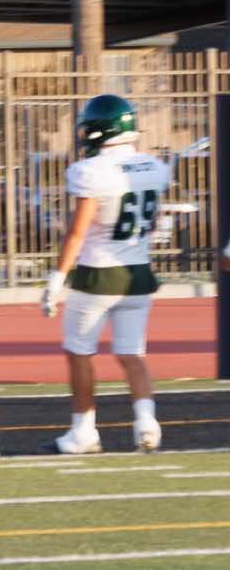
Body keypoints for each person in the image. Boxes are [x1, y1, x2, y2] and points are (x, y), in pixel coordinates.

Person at [41, 93, 170, 454]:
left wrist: (56, 280)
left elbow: (77, 232)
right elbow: (152, 222)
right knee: (132, 354)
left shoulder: (92, 171)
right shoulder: (154, 167)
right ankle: (147, 424)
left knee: (79, 352)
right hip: (138, 276)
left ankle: (83, 431)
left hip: (97, 276)